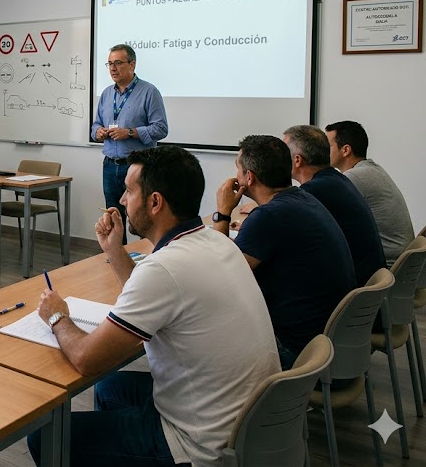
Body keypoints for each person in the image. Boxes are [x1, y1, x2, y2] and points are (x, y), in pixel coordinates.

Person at [27, 146, 279, 467]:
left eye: (129, 191)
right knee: (109, 389)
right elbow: (157, 293)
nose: (121, 200)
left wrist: (57, 315)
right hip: (249, 420)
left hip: (201, 445)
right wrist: (115, 250)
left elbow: (87, 359)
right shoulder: (217, 241)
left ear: (155, 202)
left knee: (46, 438)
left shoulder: (163, 268)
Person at [213, 135, 355, 369]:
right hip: (333, 346)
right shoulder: (302, 198)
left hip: (300, 354)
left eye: (238, 169)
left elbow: (221, 278)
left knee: (208, 334)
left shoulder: (269, 216)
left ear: (249, 177)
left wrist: (222, 213)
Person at [283, 124, 385, 286]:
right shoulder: (335, 179)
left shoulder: (314, 190)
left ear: (297, 160)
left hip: (350, 288)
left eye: (283, 154)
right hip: (365, 283)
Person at [89, 44, 168, 241]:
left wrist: (130, 132)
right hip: (110, 165)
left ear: (132, 64)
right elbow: (95, 125)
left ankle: (147, 262)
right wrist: (98, 132)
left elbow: (161, 128)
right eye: (109, 64)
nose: (112, 68)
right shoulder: (107, 94)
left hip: (137, 166)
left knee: (143, 217)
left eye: (118, 63)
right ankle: (117, 256)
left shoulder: (149, 92)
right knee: (113, 216)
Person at [325, 120, 414, 267]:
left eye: (327, 146)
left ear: (346, 150)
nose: (321, 151)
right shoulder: (371, 170)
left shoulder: (355, 177)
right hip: (398, 264)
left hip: (386, 266)